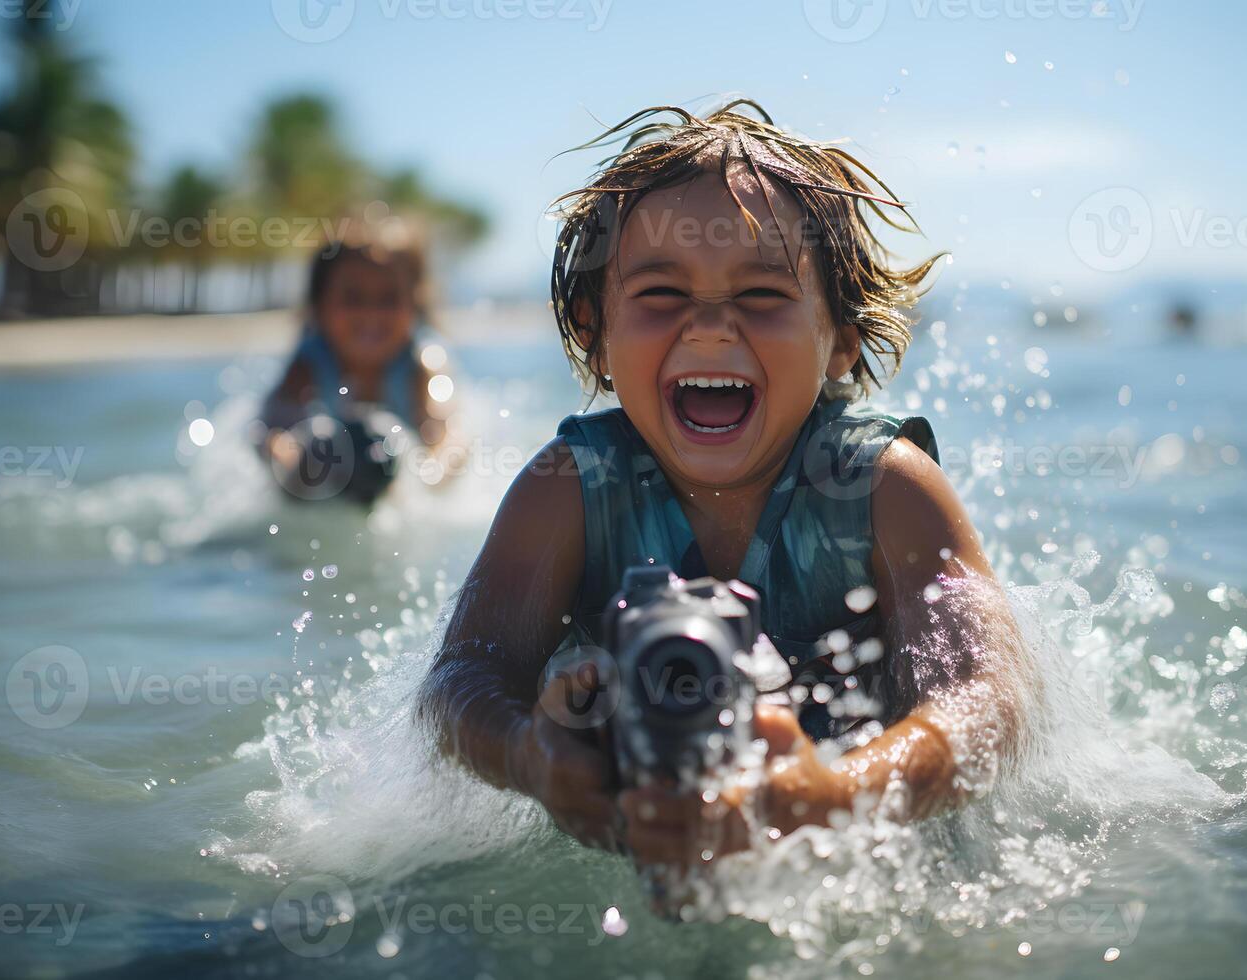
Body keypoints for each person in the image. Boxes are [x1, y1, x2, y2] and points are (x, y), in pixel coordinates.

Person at [419, 101, 1030, 871]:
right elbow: (462, 679)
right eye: (662, 295)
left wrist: (837, 795)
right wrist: (529, 755)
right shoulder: (567, 490)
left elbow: (992, 700)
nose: (711, 328)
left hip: (856, 809)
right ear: (593, 331)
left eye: (763, 296)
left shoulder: (883, 490)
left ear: (841, 337)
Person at [258, 222, 457, 504]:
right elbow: (270, 431)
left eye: (388, 299)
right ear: (320, 306)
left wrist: (430, 477)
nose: (371, 314)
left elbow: (447, 436)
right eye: (352, 298)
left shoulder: (420, 364)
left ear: (415, 305)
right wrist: (292, 463)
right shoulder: (310, 362)